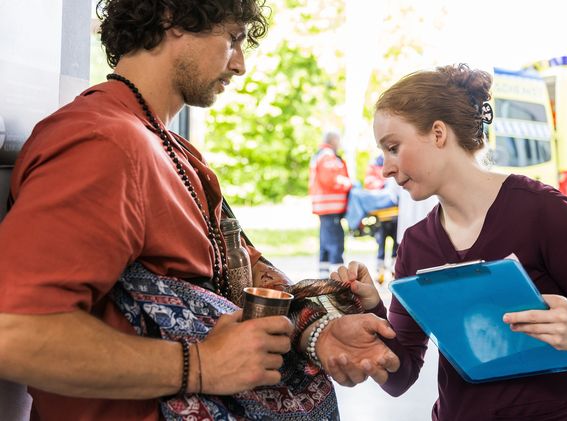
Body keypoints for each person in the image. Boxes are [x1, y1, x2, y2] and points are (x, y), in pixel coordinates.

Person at [0, 1, 400, 420]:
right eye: (232, 39)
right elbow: (16, 330)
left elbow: (238, 277)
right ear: (172, 17)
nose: (240, 64)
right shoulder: (103, 142)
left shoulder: (172, 150)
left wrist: (318, 332)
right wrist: (201, 365)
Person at [332, 64, 567, 420]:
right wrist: (372, 310)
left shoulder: (542, 211)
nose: (385, 168)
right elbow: (400, 377)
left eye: (393, 147)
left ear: (438, 133)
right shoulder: (416, 245)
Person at [309, 130, 352, 277]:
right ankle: (337, 278)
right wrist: (348, 184)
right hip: (330, 207)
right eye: (339, 141)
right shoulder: (327, 156)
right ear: (333, 141)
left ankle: (324, 276)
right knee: (335, 243)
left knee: (325, 243)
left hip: (325, 207)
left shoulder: (321, 154)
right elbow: (330, 179)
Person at [364, 153, 399, 281]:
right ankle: (380, 272)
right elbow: (369, 183)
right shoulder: (375, 164)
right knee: (381, 245)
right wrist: (384, 185)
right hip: (382, 216)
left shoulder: (397, 159)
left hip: (396, 215)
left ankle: (395, 270)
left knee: (396, 246)